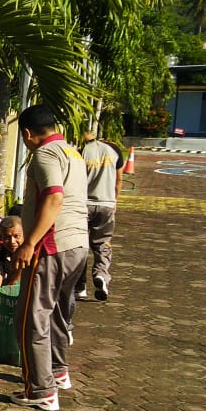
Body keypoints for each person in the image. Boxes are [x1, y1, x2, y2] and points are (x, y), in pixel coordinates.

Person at [11, 105, 88, 411]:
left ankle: (40, 390)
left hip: (51, 247)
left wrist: (30, 242)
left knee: (32, 317)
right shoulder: (72, 152)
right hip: (77, 246)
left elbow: (54, 196)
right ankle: (57, 372)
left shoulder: (44, 155)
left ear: (28, 134)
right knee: (56, 313)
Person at [75, 128, 123, 301]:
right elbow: (118, 180)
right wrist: (114, 200)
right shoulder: (114, 150)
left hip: (84, 204)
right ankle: (101, 275)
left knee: (81, 245)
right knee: (102, 244)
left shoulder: (80, 152)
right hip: (107, 204)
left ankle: (80, 287)